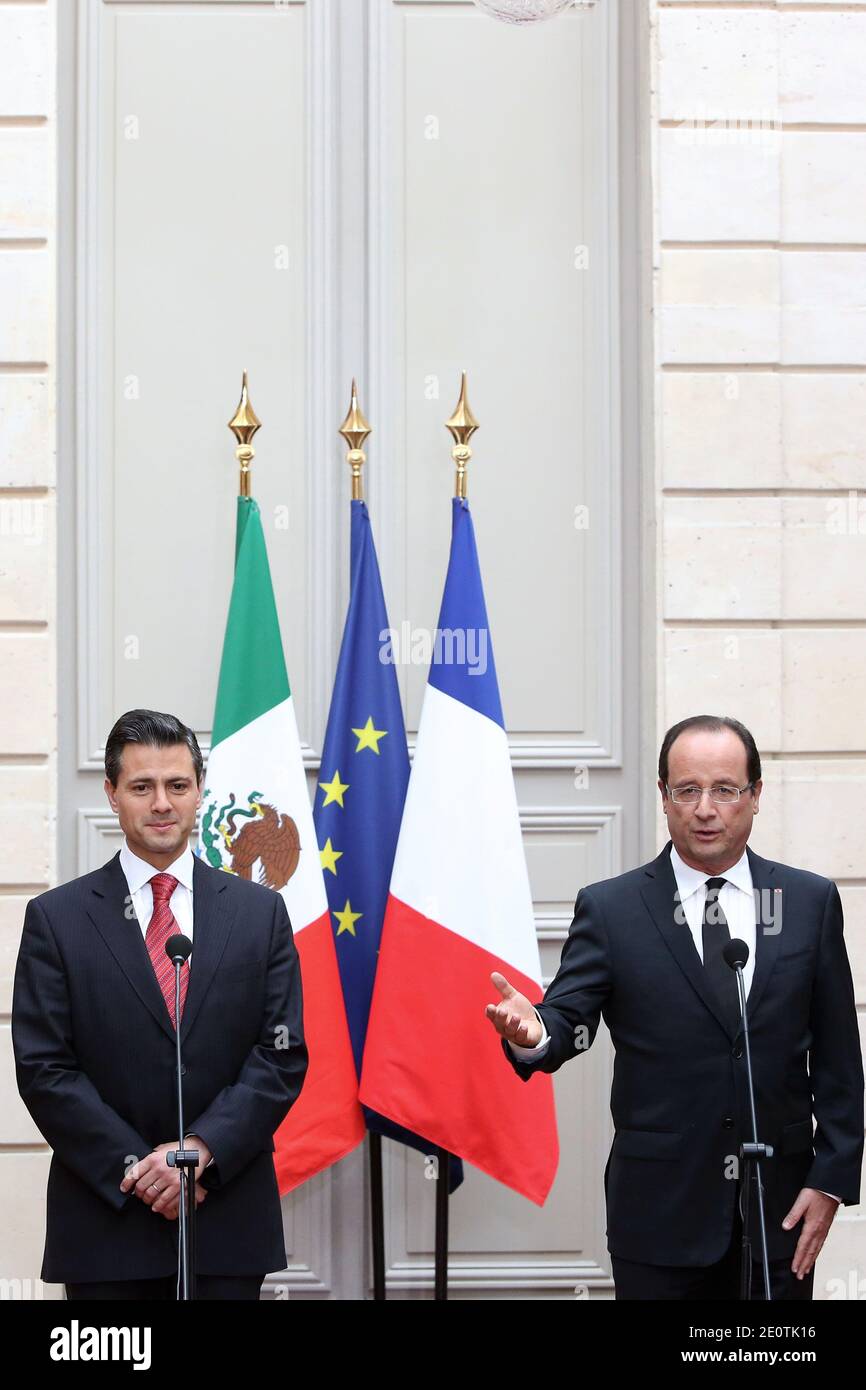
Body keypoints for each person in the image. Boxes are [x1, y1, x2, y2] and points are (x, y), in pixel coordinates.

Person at [486, 715, 864, 1300]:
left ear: (755, 796)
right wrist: (533, 1030)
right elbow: (565, 1019)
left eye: (725, 790)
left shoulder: (808, 903)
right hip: (658, 1215)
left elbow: (839, 1057)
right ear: (663, 798)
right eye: (687, 790)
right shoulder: (613, 910)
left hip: (778, 1212)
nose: (706, 808)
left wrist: (832, 1179)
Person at [12, 709, 307, 1300]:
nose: (162, 803)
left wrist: (200, 1152)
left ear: (200, 791)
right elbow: (45, 1068)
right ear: (112, 795)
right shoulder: (57, 919)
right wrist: (140, 1172)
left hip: (224, 1219)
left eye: (177, 785)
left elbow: (280, 1054)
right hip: (107, 1224)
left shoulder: (259, 913)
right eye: (142, 787)